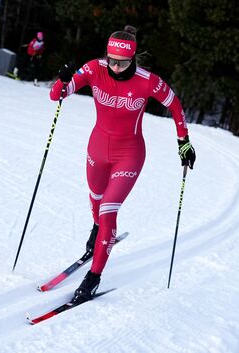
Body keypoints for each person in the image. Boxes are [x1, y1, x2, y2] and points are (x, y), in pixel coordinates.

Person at [49, 25, 196, 304]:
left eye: (123, 63)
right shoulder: (94, 69)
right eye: (112, 61)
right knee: (95, 199)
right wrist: (62, 80)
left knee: (108, 210)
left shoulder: (147, 81)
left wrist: (183, 141)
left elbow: (175, 106)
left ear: (133, 59)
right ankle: (97, 231)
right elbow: (57, 95)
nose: (115, 68)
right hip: (97, 149)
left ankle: (92, 277)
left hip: (129, 153)